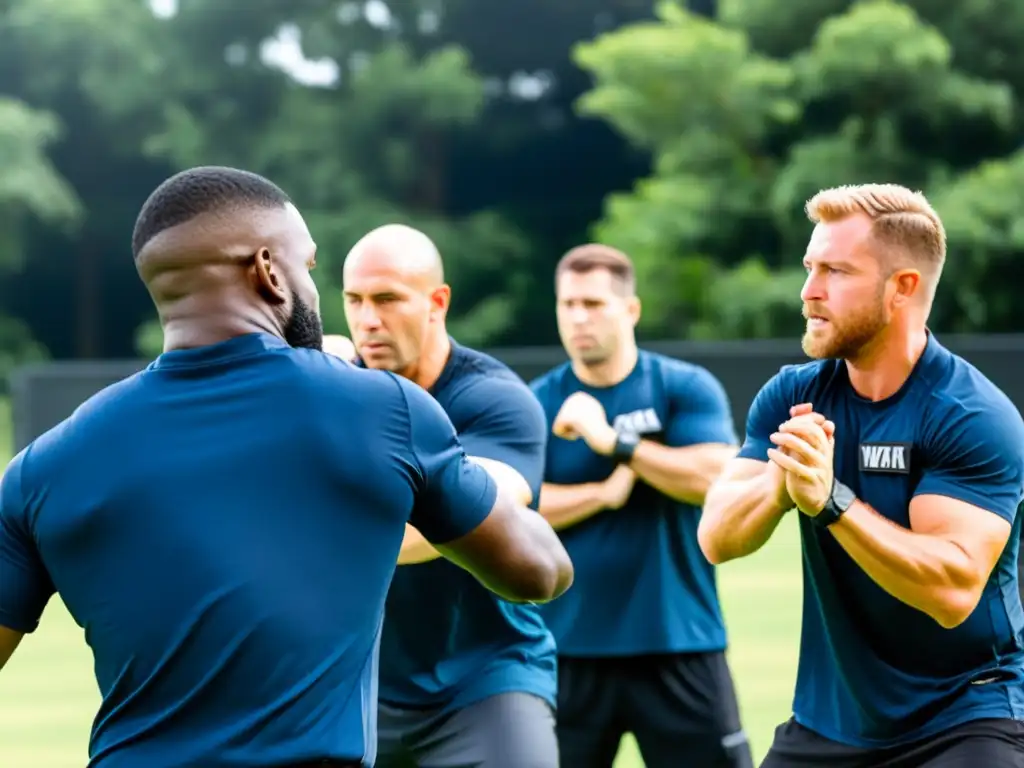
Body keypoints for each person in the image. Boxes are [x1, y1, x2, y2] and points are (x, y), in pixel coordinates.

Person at [0, 167, 573, 768]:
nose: (319, 292)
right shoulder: (384, 412)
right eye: (311, 267)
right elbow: (537, 574)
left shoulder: (44, 466)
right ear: (270, 271)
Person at [699, 183, 1024, 767]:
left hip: (966, 717)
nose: (808, 293)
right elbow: (717, 538)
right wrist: (784, 480)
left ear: (902, 287)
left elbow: (949, 591)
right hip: (830, 723)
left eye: (835, 272)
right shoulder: (794, 395)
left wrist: (831, 502)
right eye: (808, 268)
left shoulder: (971, 416)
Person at [328, 223, 560, 768]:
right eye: (354, 300)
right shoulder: (331, 387)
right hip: (359, 683)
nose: (368, 320)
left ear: (437, 302)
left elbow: (476, 519)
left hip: (484, 677)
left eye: (387, 299)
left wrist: (318, 529)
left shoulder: (496, 402)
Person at [529, 244, 753, 768]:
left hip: (678, 642)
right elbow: (519, 507)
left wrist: (615, 444)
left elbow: (716, 477)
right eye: (568, 305)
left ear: (630, 310)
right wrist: (601, 494)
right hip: (569, 650)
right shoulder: (538, 401)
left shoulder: (682, 387)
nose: (579, 318)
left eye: (594, 303)